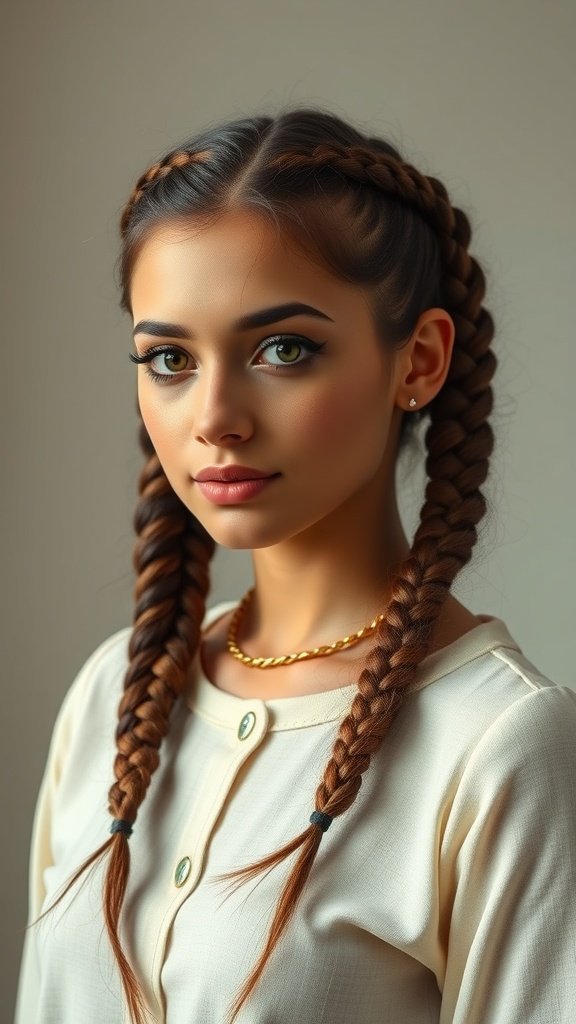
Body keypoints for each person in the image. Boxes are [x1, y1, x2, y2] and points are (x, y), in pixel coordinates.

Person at [15, 107, 576, 1024]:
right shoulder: (111, 694)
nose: (214, 416)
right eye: (168, 358)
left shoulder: (502, 745)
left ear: (420, 361)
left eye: (283, 349)